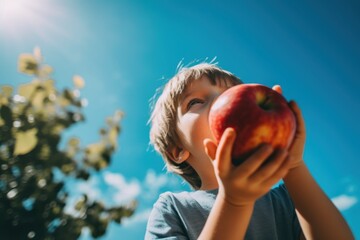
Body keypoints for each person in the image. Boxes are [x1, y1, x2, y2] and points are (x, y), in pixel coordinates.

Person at [145, 63, 354, 239]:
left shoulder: (288, 201)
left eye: (230, 94)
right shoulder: (173, 208)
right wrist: (234, 202)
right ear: (178, 150)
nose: (221, 101)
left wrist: (293, 165)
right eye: (196, 102)